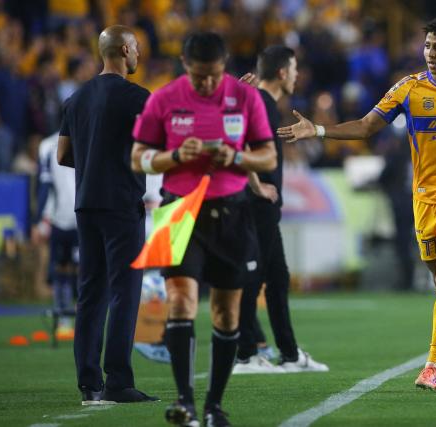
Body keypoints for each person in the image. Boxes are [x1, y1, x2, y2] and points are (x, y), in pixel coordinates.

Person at [278, 18, 436, 392]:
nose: (430, 53)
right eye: (426, 46)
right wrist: (320, 130)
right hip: (425, 196)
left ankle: (433, 365)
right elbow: (365, 126)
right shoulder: (409, 89)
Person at [130, 32, 276, 427]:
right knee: (180, 303)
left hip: (231, 213)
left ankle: (214, 405)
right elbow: (138, 159)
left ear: (224, 65)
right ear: (184, 65)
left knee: (227, 315)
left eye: (212, 76)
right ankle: (185, 402)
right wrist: (174, 156)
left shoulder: (245, 98)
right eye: (198, 76)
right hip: (177, 210)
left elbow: (268, 156)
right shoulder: (163, 98)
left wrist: (237, 155)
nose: (206, 84)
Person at [57, 25, 157, 405]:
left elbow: (63, 155)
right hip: (122, 204)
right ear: (126, 49)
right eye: (137, 49)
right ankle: (118, 380)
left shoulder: (75, 99)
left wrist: (94, 159)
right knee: (125, 293)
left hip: (87, 204)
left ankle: (89, 383)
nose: (139, 56)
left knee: (91, 293)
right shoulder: (138, 98)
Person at [233, 45, 329, 374]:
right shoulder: (259, 101)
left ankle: (289, 354)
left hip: (262, 207)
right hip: (253, 204)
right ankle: (245, 355)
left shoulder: (263, 103)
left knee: (276, 277)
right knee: (253, 278)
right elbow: (237, 143)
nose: (298, 75)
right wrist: (257, 185)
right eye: (295, 68)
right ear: (282, 72)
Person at [33, 132, 78, 340]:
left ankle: (78, 320)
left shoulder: (85, 137)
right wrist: (42, 221)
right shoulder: (48, 146)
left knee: (77, 269)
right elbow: (46, 185)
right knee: (63, 267)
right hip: (66, 218)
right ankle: (65, 320)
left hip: (81, 215)